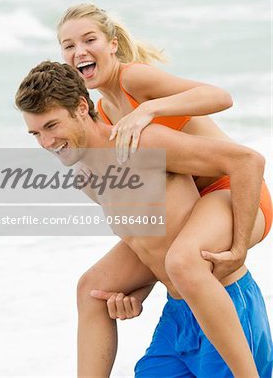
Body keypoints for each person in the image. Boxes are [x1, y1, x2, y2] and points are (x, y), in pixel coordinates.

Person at [15, 61, 273, 378]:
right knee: (91, 289)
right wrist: (137, 291)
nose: (46, 143)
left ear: (82, 107)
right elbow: (148, 242)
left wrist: (238, 248)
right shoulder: (87, 179)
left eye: (52, 126)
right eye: (36, 133)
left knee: (182, 262)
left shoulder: (142, 144)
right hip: (177, 316)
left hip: (227, 309)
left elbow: (248, 161)